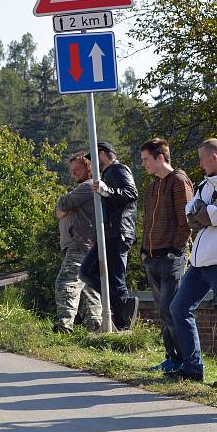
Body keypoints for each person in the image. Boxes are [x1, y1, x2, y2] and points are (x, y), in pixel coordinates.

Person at [168, 138, 217, 384]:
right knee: (178, 308)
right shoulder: (203, 184)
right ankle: (193, 367)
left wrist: (205, 213)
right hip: (199, 262)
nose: (200, 164)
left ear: (214, 157)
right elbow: (190, 213)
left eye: (202, 159)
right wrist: (206, 212)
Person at [139, 138, 194, 372]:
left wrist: (175, 249)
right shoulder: (152, 186)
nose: (143, 165)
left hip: (171, 258)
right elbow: (147, 222)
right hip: (152, 257)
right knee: (163, 311)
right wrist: (143, 250)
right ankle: (172, 358)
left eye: (145, 160)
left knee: (172, 309)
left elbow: (187, 220)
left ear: (160, 157)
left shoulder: (179, 182)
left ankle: (186, 360)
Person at [79, 141, 139, 331]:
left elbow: (131, 193)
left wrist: (108, 191)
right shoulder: (107, 174)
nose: (93, 163)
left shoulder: (118, 169)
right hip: (109, 233)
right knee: (87, 271)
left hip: (119, 231)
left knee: (115, 278)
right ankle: (121, 307)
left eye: (95, 157)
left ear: (104, 154)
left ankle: (123, 322)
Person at [53, 152, 103, 333]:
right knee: (88, 290)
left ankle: (64, 327)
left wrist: (64, 206)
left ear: (89, 168)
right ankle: (97, 330)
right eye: (72, 170)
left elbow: (61, 206)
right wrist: (63, 208)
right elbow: (59, 210)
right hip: (85, 245)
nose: (74, 173)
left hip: (80, 244)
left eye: (78, 169)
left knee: (66, 283)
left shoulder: (87, 186)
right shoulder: (87, 187)